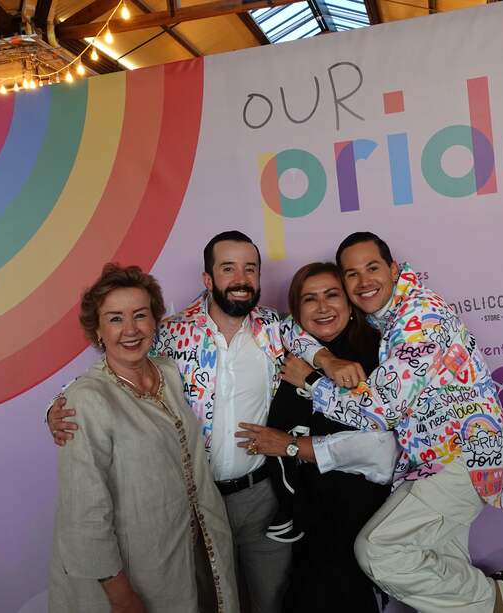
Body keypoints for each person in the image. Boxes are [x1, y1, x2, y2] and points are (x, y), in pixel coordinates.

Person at [47, 231, 368, 613]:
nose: (240, 279)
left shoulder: (275, 327)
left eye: (249, 269)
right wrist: (54, 408)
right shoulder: (170, 333)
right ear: (207, 278)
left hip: (260, 495)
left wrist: (328, 362)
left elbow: (309, 343)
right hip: (193, 502)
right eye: (228, 268)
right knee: (210, 601)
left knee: (274, 600)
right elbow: (115, 373)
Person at [281, 232, 503, 613]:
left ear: (393, 269)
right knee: (441, 576)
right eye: (352, 274)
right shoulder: (384, 312)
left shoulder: (417, 320)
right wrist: (325, 359)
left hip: (458, 460)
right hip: (429, 460)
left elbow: (381, 410)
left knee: (378, 550)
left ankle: (491, 598)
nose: (364, 281)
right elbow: (288, 327)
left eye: (372, 268)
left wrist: (313, 382)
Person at [49, 263, 238, 613]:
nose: (131, 330)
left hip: (187, 553)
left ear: (154, 320)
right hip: (133, 570)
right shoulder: (85, 401)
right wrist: (119, 593)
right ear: (97, 330)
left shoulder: (168, 372)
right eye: (115, 319)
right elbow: (84, 511)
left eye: (140, 315)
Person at [233, 262, 397, 613]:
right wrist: (324, 361)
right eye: (309, 299)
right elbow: (288, 328)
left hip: (354, 507)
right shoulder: (294, 349)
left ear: (350, 304)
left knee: (328, 595)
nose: (322, 307)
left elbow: (384, 449)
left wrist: (291, 445)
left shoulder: (374, 353)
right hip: (308, 509)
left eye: (332, 295)